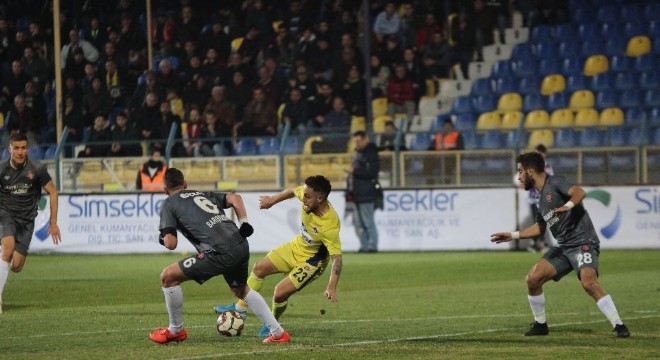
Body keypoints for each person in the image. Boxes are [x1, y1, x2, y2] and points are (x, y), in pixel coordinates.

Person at [490, 151, 630, 338]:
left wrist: (568, 206)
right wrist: (512, 235)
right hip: (563, 247)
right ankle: (540, 325)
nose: (519, 176)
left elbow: (580, 192)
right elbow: (540, 228)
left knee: (589, 283)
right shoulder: (540, 199)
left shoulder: (556, 183)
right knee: (533, 279)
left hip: (582, 242)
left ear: (531, 171)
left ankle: (619, 325)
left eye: (521, 171)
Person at [150, 167, 291, 344]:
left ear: (165, 190)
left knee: (168, 277)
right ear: (185, 184)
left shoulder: (169, 203)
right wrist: (244, 222)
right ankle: (279, 334)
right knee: (240, 289)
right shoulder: (200, 193)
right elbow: (235, 198)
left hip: (220, 250)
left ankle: (175, 330)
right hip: (240, 242)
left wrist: (162, 238)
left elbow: (171, 244)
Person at [213, 175, 342, 337]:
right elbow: (291, 191)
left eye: (308, 197)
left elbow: (337, 258)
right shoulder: (307, 194)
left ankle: (272, 323)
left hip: (311, 262)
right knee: (259, 268)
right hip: (295, 247)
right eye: (305, 194)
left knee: (280, 293)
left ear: (321, 198)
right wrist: (271, 201)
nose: (304, 199)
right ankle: (240, 309)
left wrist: (331, 286)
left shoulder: (330, 226)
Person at [0, 132, 62, 313]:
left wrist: (53, 223)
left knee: (17, 266)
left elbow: (53, 192)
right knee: (9, 248)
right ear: (9, 149)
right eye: (16, 148)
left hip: (27, 221)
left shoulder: (36, 169)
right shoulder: (2, 169)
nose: (20, 152)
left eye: (23, 148)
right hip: (6, 215)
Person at [348, 131, 380, 253]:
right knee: (359, 222)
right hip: (357, 193)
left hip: (366, 192)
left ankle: (372, 245)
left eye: (358, 140)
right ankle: (364, 245)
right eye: (355, 141)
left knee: (368, 221)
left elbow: (372, 172)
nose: (357, 143)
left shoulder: (371, 153)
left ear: (365, 139)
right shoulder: (358, 153)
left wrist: (355, 171)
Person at [528, 144, 554, 253]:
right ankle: (537, 243)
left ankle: (538, 243)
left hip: (543, 198)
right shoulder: (530, 166)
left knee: (542, 220)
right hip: (533, 198)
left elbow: (551, 180)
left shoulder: (547, 167)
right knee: (537, 221)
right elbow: (518, 178)